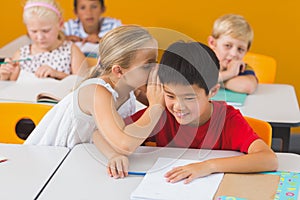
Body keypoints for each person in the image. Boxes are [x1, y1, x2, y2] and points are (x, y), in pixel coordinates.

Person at [126, 41, 278, 184]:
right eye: (170, 96)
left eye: (189, 98)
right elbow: (115, 138)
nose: (178, 106)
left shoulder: (227, 120)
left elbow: (268, 159)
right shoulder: (160, 114)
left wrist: (208, 166)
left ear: (213, 91)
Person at [24, 25, 165, 178]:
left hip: (83, 162)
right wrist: (155, 107)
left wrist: (112, 155)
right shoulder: (97, 92)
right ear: (118, 71)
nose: (155, 69)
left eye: (155, 62)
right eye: (148, 65)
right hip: (49, 164)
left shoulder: (131, 86)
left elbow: (96, 134)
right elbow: (124, 145)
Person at [0, 0, 88, 81]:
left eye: (46, 31)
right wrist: (6, 77)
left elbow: (83, 84)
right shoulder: (21, 54)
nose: (40, 37)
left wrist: (57, 74)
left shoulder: (71, 51)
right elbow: (12, 88)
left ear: (60, 24)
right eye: (34, 31)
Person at [208, 14, 258, 94]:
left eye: (240, 49)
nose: (234, 54)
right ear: (212, 43)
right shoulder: (202, 62)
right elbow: (191, 81)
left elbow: (248, 86)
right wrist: (229, 74)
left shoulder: (242, 68)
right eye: (227, 46)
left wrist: (212, 81)